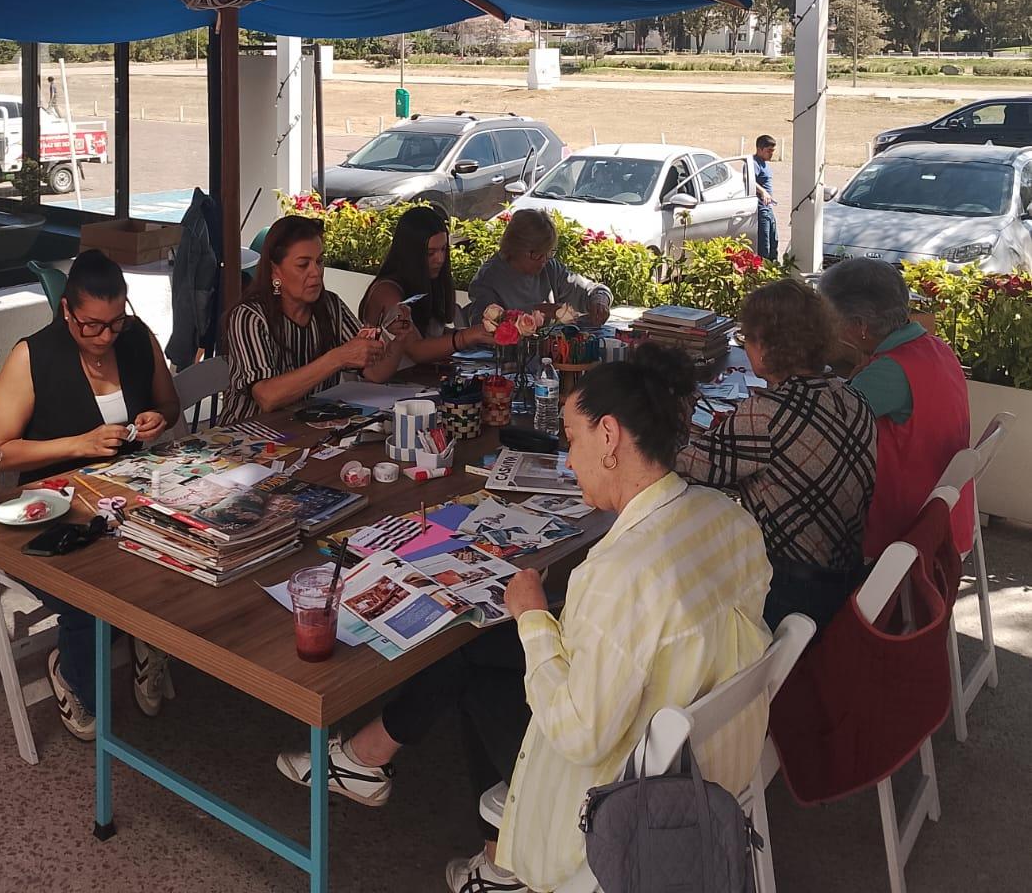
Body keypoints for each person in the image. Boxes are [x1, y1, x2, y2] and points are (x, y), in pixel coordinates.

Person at [276, 348, 772, 893]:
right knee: (478, 646)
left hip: (617, 791)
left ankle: (495, 860)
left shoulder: (621, 572)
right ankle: (376, 768)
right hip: (707, 754)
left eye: (572, 439)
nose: (569, 459)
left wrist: (535, 618)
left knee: (484, 664)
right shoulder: (726, 516)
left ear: (609, 436)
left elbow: (579, 736)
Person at [0, 249, 181, 740]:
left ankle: (146, 638)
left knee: (180, 557)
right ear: (67, 310)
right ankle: (73, 671)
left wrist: (156, 419)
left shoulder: (137, 339)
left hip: (125, 498)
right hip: (48, 513)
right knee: (89, 598)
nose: (105, 336)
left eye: (115, 322)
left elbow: (170, 405)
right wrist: (79, 444)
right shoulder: (34, 355)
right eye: (91, 325)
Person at [677, 278, 876, 631]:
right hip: (846, 584)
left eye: (746, 338)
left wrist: (673, 421)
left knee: (673, 566)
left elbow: (681, 468)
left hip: (788, 594)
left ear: (766, 346)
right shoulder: (853, 397)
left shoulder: (765, 414)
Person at [819, 256, 973, 558]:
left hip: (908, 531)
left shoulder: (889, 371)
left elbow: (824, 426)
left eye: (829, 318)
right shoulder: (935, 347)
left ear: (860, 326)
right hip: (944, 515)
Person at [219, 214, 396, 427]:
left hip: (308, 428)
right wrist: (338, 358)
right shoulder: (249, 316)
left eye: (319, 261)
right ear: (275, 270)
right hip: (250, 434)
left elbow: (375, 372)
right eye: (303, 265)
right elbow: (267, 397)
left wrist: (397, 336)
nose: (316, 272)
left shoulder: (331, 306)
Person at [358, 205, 487, 363]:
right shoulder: (388, 291)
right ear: (410, 254)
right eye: (430, 253)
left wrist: (476, 335)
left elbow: (433, 335)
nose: (440, 259)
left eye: (443, 249)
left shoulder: (428, 282)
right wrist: (466, 337)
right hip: (390, 377)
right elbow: (415, 350)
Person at [466, 208, 611, 329]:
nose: (543, 260)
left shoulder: (550, 267)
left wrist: (600, 301)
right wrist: (538, 311)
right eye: (536, 254)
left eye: (547, 253)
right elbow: (482, 328)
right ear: (515, 247)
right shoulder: (488, 280)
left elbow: (593, 289)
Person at [753, 134, 779, 261]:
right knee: (765, 245)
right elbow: (748, 180)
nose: (771, 154)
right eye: (769, 151)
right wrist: (762, 191)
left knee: (774, 241)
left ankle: (773, 266)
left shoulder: (765, 164)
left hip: (769, 209)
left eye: (773, 151)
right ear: (759, 149)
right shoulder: (754, 163)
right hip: (761, 209)